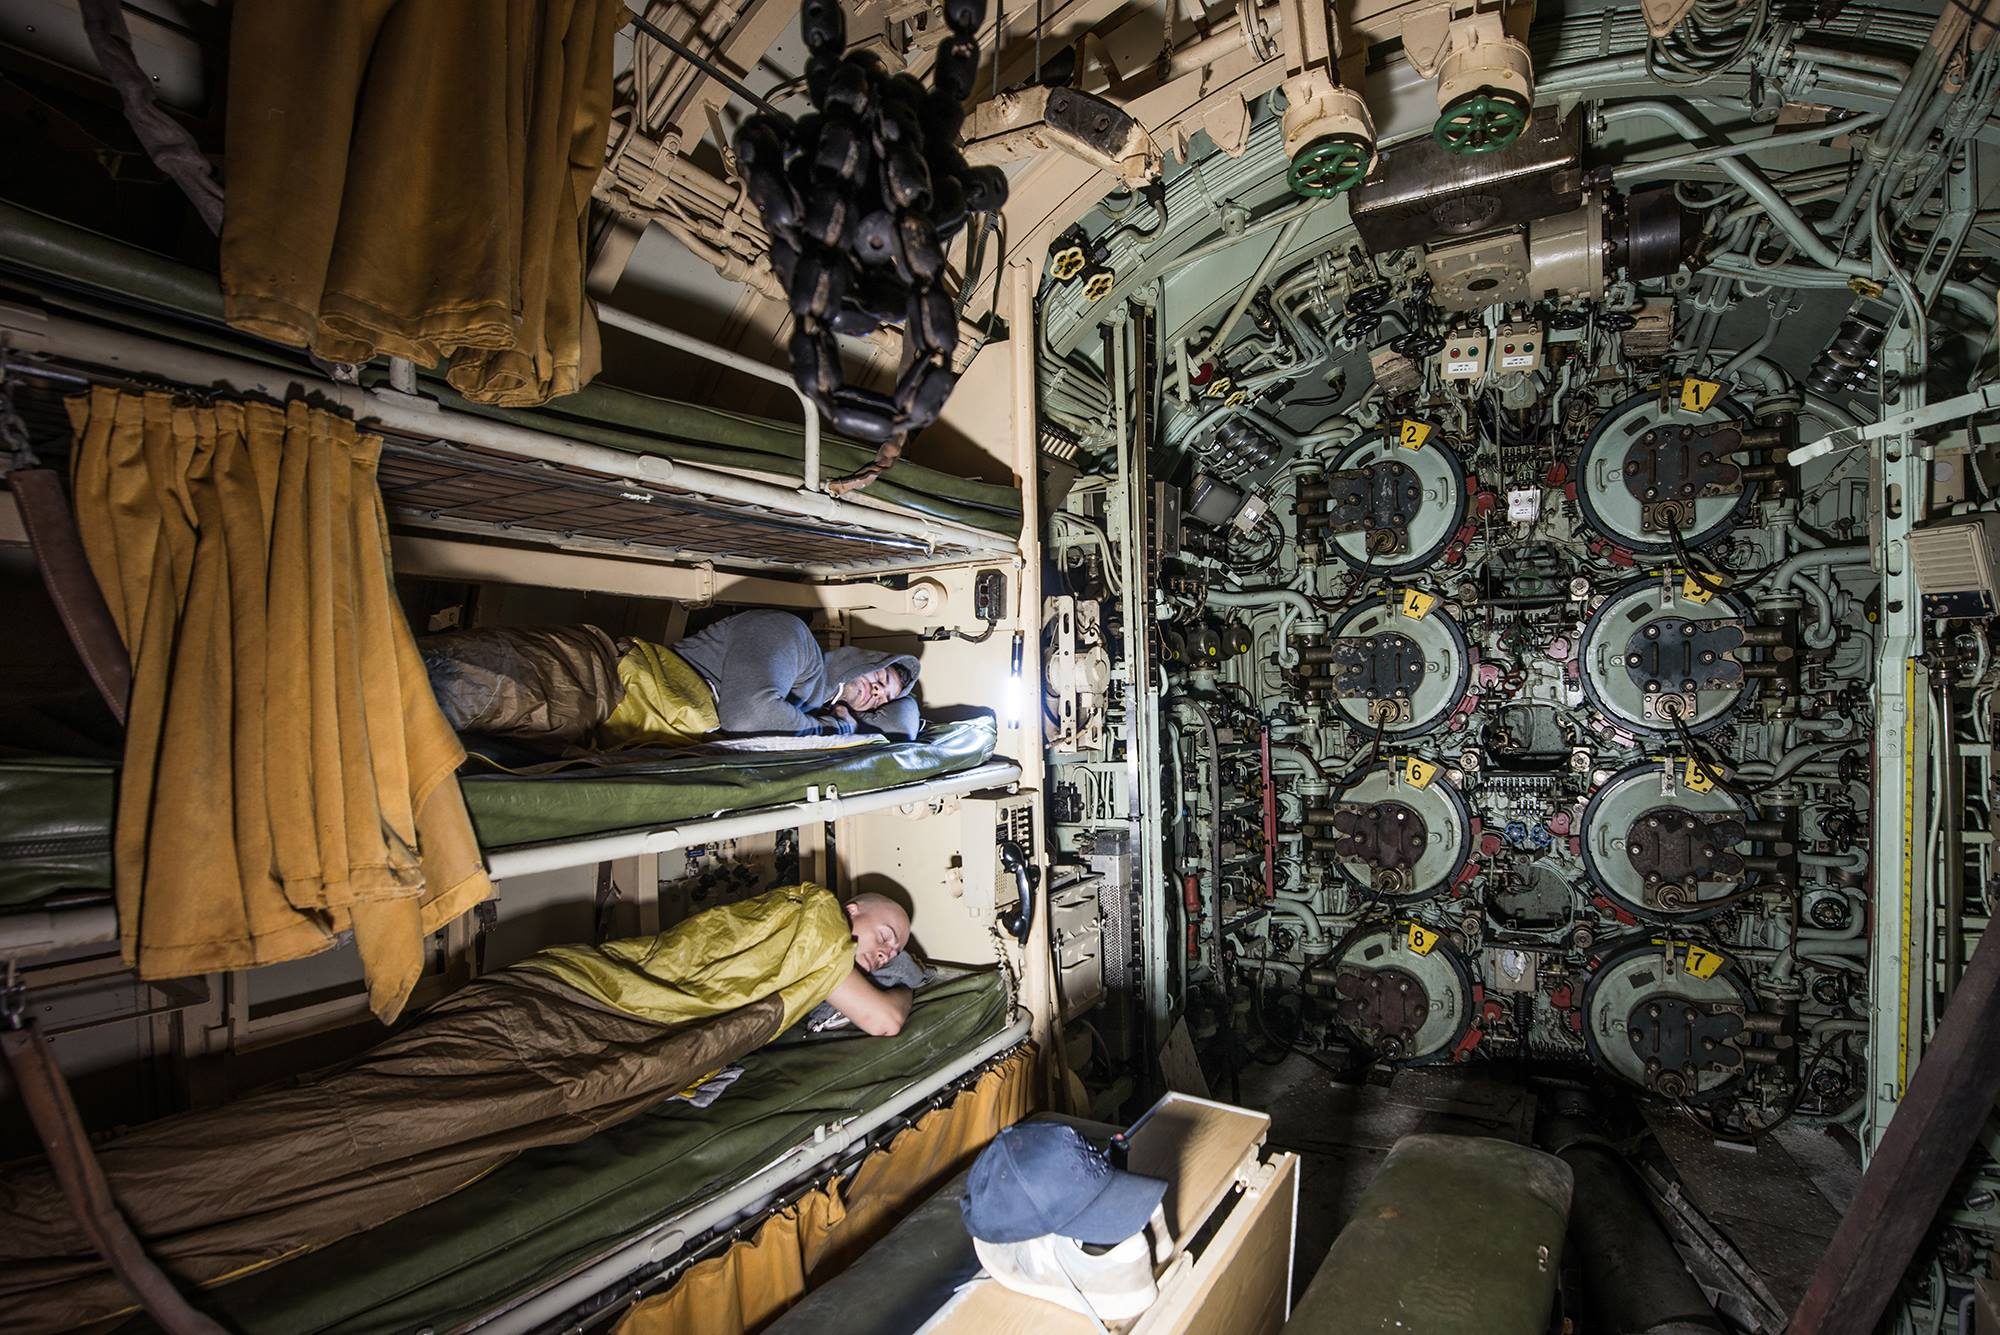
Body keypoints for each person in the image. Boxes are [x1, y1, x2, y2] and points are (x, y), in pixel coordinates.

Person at [0, 883, 918, 1328]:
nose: (881, 950)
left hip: (572, 1051)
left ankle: (76, 1253)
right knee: (347, 1127)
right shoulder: (812, 920)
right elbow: (881, 1019)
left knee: (372, 1161)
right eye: (884, 931)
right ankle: (43, 1214)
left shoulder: (806, 959)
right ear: (849, 906)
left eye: (891, 948)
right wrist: (906, 987)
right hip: (557, 1021)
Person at [422, 608, 922, 749]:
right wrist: (837, 729)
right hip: (594, 676)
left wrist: (853, 724)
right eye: (883, 675)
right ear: (861, 657)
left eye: (885, 696)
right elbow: (748, 714)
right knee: (422, 685)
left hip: (600, 727)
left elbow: (898, 730)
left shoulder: (806, 708)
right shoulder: (792, 638)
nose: (880, 689)